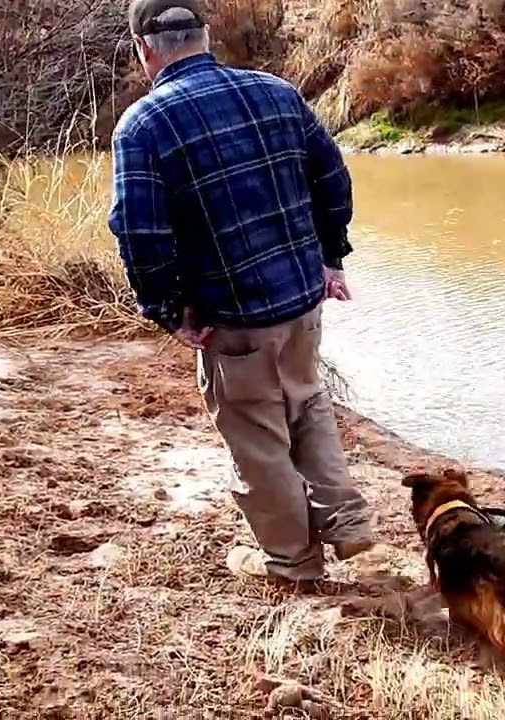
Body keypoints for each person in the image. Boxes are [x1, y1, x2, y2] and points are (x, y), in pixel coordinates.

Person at [107, 0, 373, 586]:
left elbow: (140, 231)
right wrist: (331, 258)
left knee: (257, 435)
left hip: (234, 317)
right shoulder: (277, 92)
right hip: (302, 297)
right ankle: (347, 520)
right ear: (206, 35)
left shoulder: (144, 125)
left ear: (143, 51)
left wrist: (167, 309)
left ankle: (293, 561)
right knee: (306, 401)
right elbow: (332, 176)